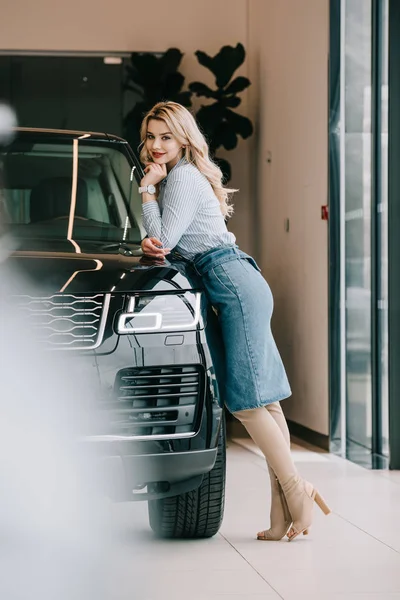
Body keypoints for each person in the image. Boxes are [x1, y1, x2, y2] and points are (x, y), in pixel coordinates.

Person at [138, 101, 330, 541]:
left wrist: (148, 190)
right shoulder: (184, 176)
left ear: (184, 138)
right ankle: (283, 515)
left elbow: (162, 243)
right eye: (151, 136)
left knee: (244, 402)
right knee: (265, 401)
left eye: (166, 136)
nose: (157, 145)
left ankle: (298, 489)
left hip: (230, 283)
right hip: (235, 280)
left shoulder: (181, 177)